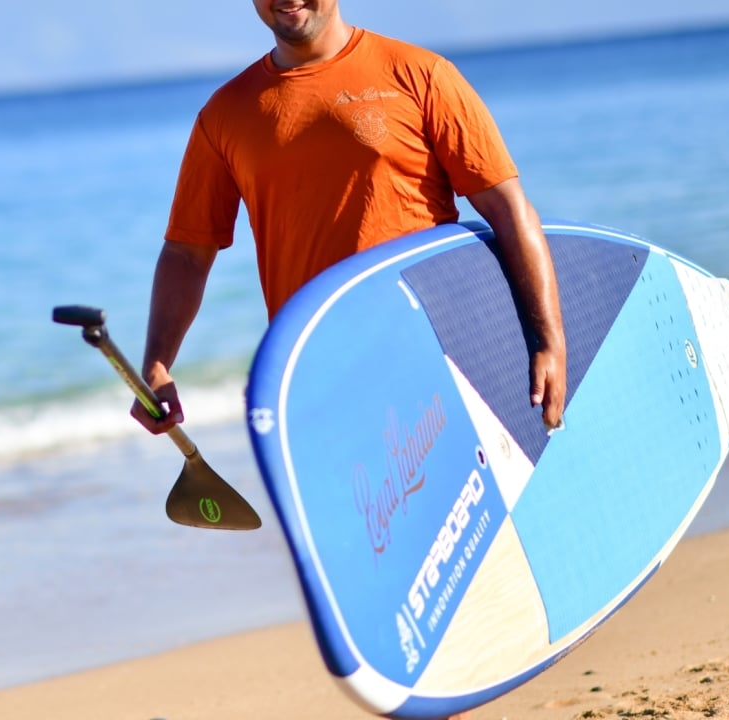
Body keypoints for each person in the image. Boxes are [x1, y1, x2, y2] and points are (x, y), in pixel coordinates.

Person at [133, 2, 566, 717]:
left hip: (434, 360)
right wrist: (157, 361)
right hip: (325, 381)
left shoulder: (417, 74)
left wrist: (546, 338)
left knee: (461, 555)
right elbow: (188, 249)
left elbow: (507, 206)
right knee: (381, 576)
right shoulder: (226, 114)